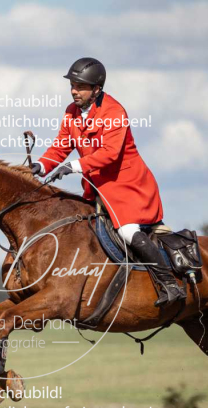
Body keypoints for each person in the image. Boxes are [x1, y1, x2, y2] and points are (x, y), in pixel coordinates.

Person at [32, 57, 186, 307]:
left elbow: (110, 154)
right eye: (72, 86)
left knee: (127, 231)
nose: (74, 91)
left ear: (96, 89)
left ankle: (169, 284)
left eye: (80, 87)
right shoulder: (71, 112)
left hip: (128, 187)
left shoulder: (114, 112)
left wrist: (73, 166)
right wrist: (41, 165)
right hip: (97, 188)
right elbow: (61, 146)